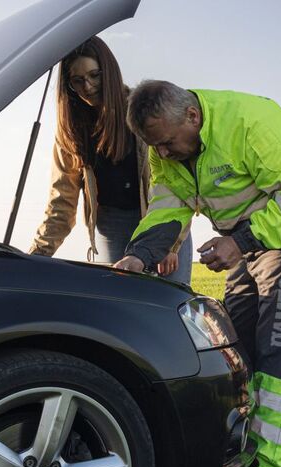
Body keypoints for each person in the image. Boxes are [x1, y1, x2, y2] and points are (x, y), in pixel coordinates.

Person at [115, 80, 281, 467]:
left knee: (279, 357)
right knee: (234, 351)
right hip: (245, 239)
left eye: (165, 143)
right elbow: (169, 205)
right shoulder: (164, 145)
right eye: (154, 146)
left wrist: (238, 241)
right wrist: (137, 257)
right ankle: (241, 455)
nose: (161, 153)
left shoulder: (254, 122)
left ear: (192, 116)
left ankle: (274, 466)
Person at [29, 37, 191, 283]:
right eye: (78, 81)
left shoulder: (142, 110)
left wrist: (172, 244)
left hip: (158, 218)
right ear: (67, 85)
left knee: (169, 303)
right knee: (122, 302)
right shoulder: (70, 133)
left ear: (109, 71)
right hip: (110, 227)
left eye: (95, 75)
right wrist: (36, 256)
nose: (88, 86)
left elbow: (176, 183)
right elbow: (61, 203)